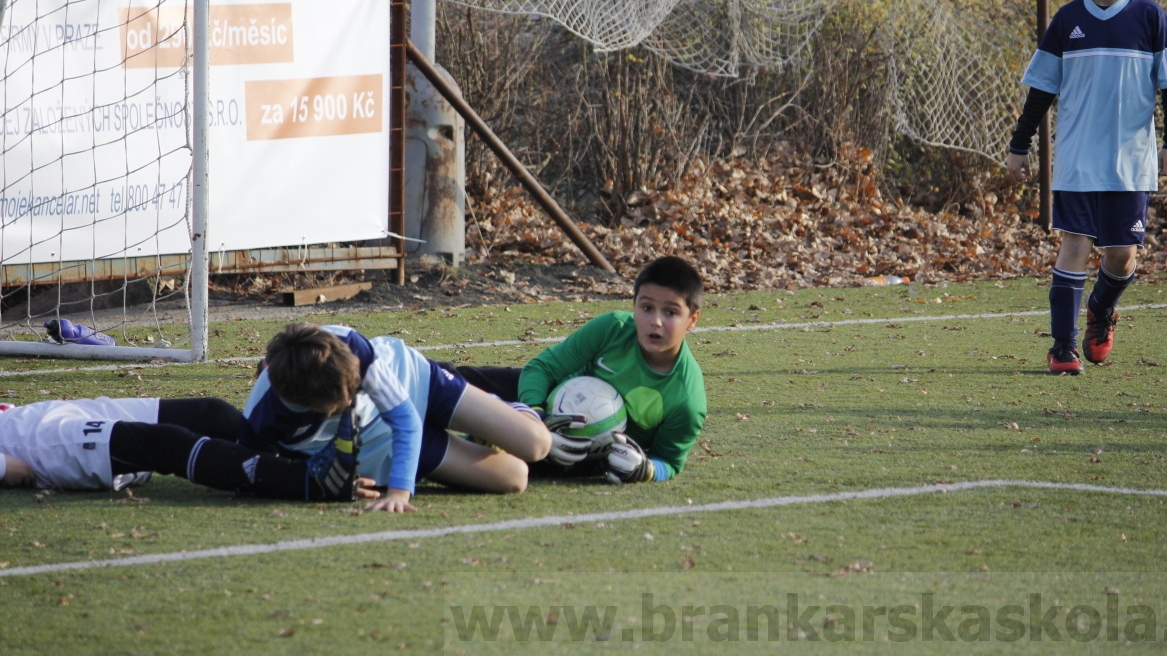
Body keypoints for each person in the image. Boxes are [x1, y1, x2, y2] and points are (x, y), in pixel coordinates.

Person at [1006, 0, 1167, 375]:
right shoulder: (1067, 21)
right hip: (1077, 162)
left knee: (1123, 257)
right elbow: (1041, 90)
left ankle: (1101, 310)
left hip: (1130, 163)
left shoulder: (1150, 18)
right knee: (1074, 247)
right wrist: (1019, 144)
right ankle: (1062, 348)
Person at [240, 322, 553, 514]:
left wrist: (400, 493)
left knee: (537, 444)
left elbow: (405, 418)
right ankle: (468, 438)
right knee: (515, 478)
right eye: (341, 402)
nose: (354, 399)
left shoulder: (350, 347)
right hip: (381, 447)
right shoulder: (262, 417)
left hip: (415, 382)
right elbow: (260, 473)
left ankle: (502, 409)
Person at [455, 255, 707, 485]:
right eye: (646, 308)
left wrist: (648, 469)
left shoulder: (687, 400)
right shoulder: (612, 329)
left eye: (671, 312)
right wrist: (536, 415)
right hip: (546, 398)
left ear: (692, 319)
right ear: (634, 305)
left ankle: (461, 446)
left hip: (583, 452)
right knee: (458, 380)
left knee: (489, 463)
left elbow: (670, 462)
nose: (656, 321)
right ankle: (419, 379)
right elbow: (541, 368)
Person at [0, 396, 374, 501]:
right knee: (166, 444)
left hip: (34, 415)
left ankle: (330, 462)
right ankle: (310, 482)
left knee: (213, 413)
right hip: (32, 440)